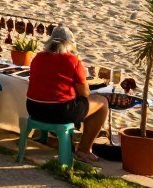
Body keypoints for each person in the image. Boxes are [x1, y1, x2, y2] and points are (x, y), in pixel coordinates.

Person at [26, 26, 108, 165]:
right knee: (101, 103)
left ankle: (61, 140)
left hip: (34, 109)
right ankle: (84, 150)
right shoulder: (72, 60)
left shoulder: (37, 58)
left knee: (78, 103)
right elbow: (85, 93)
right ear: (69, 44)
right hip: (60, 112)